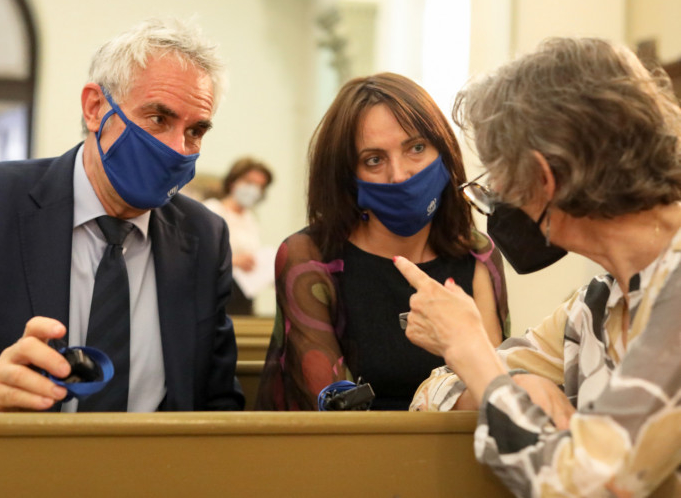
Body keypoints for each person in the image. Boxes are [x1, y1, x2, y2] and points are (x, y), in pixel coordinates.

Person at [0, 17, 244, 413]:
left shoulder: (204, 236)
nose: (177, 148)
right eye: (158, 119)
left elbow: (218, 401)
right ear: (95, 108)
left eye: (195, 132)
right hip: (12, 451)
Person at [401, 37, 681, 497]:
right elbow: (433, 393)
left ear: (544, 178)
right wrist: (519, 381)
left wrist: (473, 352)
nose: (496, 204)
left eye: (498, 183)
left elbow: (588, 484)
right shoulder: (594, 309)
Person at [256, 72, 508, 411]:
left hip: (457, 441)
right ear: (349, 176)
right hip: (354, 443)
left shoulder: (477, 253)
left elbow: (494, 395)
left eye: (416, 148)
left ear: (444, 151)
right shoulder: (311, 256)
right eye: (374, 160)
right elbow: (334, 409)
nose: (399, 175)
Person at [203, 157, 274, 315]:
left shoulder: (250, 218)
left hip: (243, 295)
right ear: (232, 182)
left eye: (260, 186)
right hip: (215, 295)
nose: (254, 190)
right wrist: (234, 260)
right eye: (249, 182)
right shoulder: (212, 210)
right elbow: (197, 254)